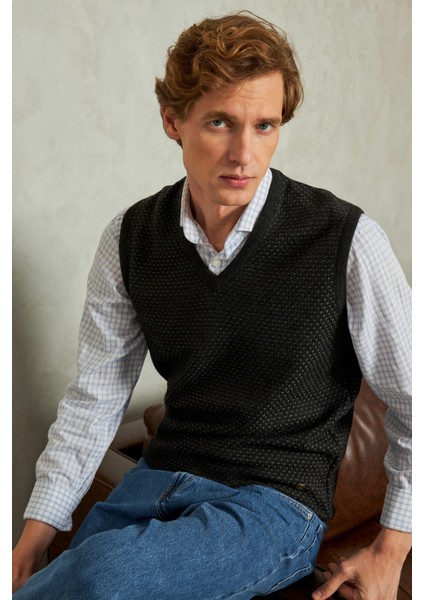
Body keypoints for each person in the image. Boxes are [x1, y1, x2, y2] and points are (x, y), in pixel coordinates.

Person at [13, 11, 411, 600]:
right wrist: (32, 538)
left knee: (100, 578)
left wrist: (391, 548)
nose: (244, 154)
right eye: (220, 123)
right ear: (172, 121)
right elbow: (95, 398)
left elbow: (412, 396)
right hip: (157, 483)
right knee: (68, 574)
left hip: (275, 505)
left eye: (265, 125)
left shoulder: (347, 240)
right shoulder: (130, 238)